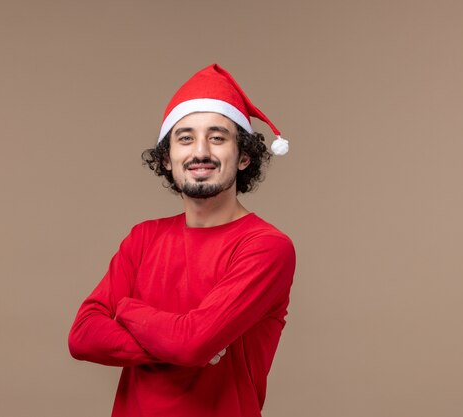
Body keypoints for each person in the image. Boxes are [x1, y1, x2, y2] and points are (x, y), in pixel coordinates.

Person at [68, 64, 296, 417]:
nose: (200, 152)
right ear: (167, 159)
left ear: (244, 156)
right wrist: (174, 340)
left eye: (217, 137)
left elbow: (192, 344)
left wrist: (126, 310)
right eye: (185, 138)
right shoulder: (143, 238)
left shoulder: (266, 246)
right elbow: (82, 335)